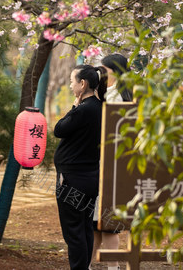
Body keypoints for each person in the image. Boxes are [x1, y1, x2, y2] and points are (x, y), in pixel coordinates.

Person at [53, 64, 107, 270]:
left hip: (72, 179)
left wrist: (74, 107)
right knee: (84, 228)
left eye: (71, 81)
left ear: (82, 84)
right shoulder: (100, 108)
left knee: (74, 233)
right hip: (90, 178)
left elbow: (59, 129)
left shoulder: (83, 110)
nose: (70, 85)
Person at [93, 53, 131, 270]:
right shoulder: (119, 93)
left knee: (106, 222)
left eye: (104, 70)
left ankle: (112, 267)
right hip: (110, 165)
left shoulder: (115, 97)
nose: (101, 74)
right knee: (98, 223)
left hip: (110, 166)